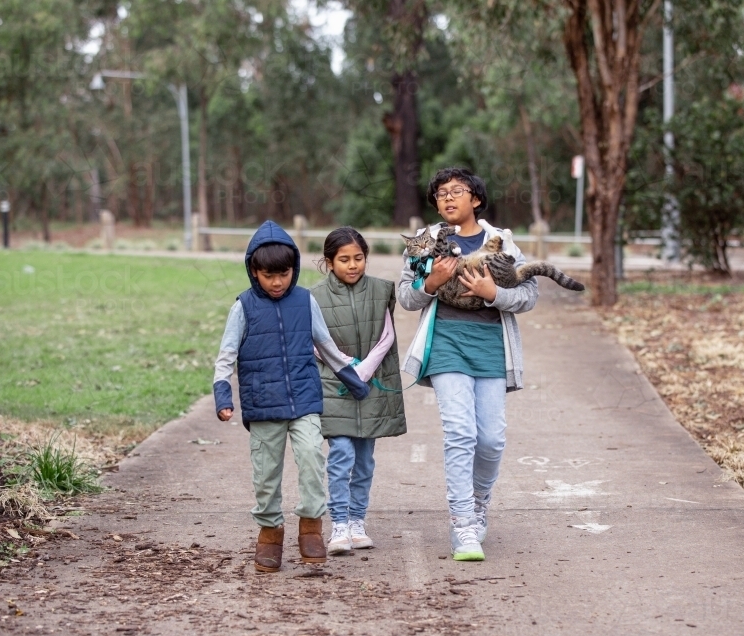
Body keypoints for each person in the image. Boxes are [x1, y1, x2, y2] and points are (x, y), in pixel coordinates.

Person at [397, 167, 538, 561]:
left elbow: (529, 294)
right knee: (461, 432)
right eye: (441, 194)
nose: (447, 198)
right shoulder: (425, 243)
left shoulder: (502, 241)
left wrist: (494, 293)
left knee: (491, 439)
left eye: (456, 191)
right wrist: (431, 284)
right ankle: (462, 524)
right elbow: (406, 297)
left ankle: (478, 504)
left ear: (475, 199)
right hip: (445, 344)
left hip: (491, 346)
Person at [213, 220, 369, 573]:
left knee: (313, 457)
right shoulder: (243, 307)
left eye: (284, 274)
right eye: (269, 275)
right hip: (263, 404)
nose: (278, 282)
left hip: (303, 400)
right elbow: (225, 356)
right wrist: (224, 397)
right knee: (266, 474)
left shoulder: (304, 301)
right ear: (254, 271)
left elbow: (326, 346)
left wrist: (354, 379)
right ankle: (270, 532)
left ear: (293, 269)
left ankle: (311, 527)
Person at [311, 227, 407, 555]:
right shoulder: (313, 297)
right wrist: (347, 367)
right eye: (344, 259)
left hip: (371, 388)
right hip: (334, 386)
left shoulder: (381, 290)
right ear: (329, 262)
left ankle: (356, 521)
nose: (352, 265)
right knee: (341, 455)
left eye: (359, 258)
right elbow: (313, 341)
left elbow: (387, 335)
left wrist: (365, 369)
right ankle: (338, 524)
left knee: (365, 461)